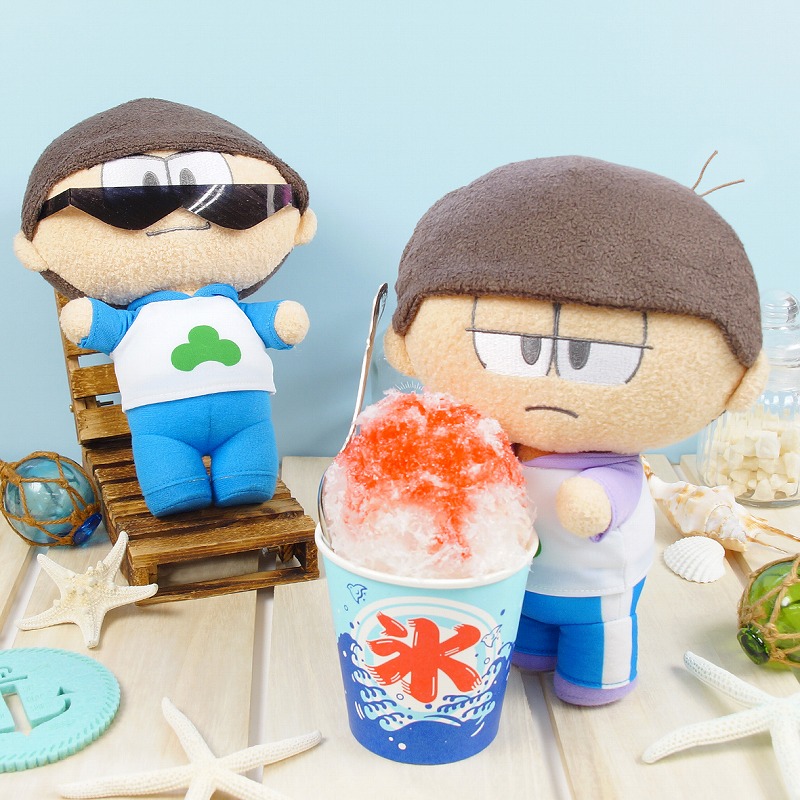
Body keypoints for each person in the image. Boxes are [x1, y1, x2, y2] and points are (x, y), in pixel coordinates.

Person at [383, 156, 768, 705]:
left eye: (594, 354)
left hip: (598, 585)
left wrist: (596, 501)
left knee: (598, 636)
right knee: (528, 636)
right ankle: (534, 649)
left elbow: (614, 492)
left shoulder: (612, 464)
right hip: (517, 578)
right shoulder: (490, 445)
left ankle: (598, 678)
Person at [14, 98, 316, 517]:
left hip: (247, 419)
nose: (179, 212)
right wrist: (89, 321)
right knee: (172, 480)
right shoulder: (136, 318)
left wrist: (280, 322)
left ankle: (244, 476)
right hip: (161, 427)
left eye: (227, 200)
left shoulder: (229, 306)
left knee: (249, 470)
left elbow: (270, 324)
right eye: (128, 204)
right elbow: (100, 326)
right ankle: (174, 486)